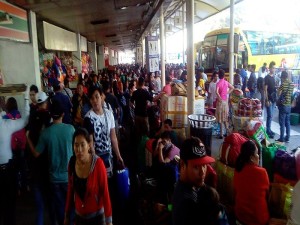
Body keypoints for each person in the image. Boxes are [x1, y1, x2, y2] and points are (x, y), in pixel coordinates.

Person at [30, 99, 75, 225]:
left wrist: (28, 139)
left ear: (50, 114)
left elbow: (36, 153)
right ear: (63, 114)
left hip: (54, 179)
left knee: (59, 208)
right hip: (68, 177)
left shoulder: (46, 133)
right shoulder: (71, 130)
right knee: (71, 206)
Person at [172, 137, 226, 225]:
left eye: (204, 165)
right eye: (196, 167)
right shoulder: (187, 204)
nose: (202, 172)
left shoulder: (192, 187)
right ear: (182, 164)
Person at [64, 128, 112, 225]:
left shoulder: (98, 164)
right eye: (76, 145)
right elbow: (70, 190)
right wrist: (67, 215)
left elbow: (105, 193)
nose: (79, 150)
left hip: (97, 218)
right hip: (79, 217)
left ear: (89, 145)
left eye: (82, 145)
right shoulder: (72, 163)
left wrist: (109, 221)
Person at [0, 87, 29, 225]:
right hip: (8, 167)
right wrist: (26, 98)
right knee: (10, 204)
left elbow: (24, 121)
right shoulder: (5, 123)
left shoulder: (5, 121)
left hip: (7, 167)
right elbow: (25, 120)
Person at [84, 86, 124, 178]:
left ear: (101, 97)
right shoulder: (88, 118)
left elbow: (113, 137)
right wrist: (95, 162)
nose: (95, 100)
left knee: (109, 183)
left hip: (108, 155)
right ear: (90, 101)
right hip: (96, 158)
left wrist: (118, 155)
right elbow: (90, 143)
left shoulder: (109, 114)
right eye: (92, 98)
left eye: (97, 97)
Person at [233, 140, 270, 225]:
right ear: (251, 157)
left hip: (239, 216)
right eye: (257, 153)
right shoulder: (262, 172)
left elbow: (235, 192)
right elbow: (267, 195)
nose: (258, 156)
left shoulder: (238, 169)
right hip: (257, 220)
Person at [276, 71, 294, 143]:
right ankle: (288, 137)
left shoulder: (283, 84)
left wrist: (278, 89)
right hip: (289, 105)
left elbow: (278, 93)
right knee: (288, 122)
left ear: (282, 77)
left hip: (283, 105)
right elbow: (291, 94)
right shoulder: (291, 83)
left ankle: (281, 138)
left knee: (282, 123)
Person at [216, 69, 234, 139]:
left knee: (220, 118)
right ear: (224, 75)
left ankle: (221, 134)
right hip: (225, 102)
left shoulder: (218, 83)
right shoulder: (226, 82)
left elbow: (216, 91)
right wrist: (227, 93)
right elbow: (232, 88)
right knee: (225, 118)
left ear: (219, 75)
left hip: (220, 103)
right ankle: (228, 132)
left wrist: (219, 96)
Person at [264, 61, 277, 138]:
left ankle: (269, 129)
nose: (275, 69)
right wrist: (266, 100)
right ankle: (267, 131)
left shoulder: (273, 77)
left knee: (271, 115)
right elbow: (265, 90)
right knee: (269, 115)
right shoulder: (267, 77)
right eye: (274, 68)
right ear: (270, 68)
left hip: (273, 99)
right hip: (269, 100)